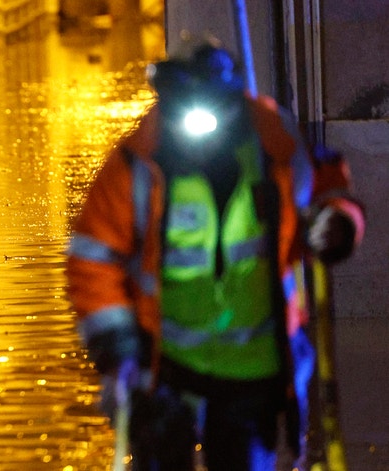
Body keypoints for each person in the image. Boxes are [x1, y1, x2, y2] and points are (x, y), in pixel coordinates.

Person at [65, 39, 365, 470]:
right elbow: (93, 257)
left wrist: (337, 222)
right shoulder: (139, 162)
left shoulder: (274, 146)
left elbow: (327, 186)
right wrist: (116, 347)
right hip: (165, 370)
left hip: (253, 371)